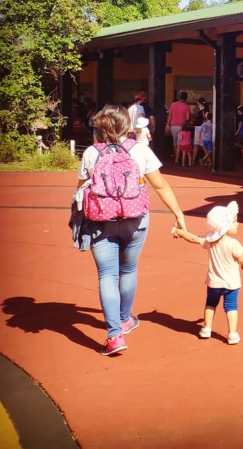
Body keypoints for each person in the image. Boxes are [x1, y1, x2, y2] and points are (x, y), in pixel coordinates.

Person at [75, 104, 187, 355]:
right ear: (127, 124)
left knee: (106, 275)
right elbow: (160, 186)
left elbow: (81, 190)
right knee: (128, 270)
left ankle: (114, 336)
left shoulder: (92, 153)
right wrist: (178, 214)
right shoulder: (140, 150)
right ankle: (125, 319)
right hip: (136, 220)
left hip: (100, 221)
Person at [172, 201, 243, 345]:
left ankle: (207, 328)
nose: (237, 224)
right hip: (231, 283)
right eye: (234, 222)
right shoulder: (234, 244)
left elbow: (193, 238)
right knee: (231, 306)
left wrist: (179, 232)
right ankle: (232, 333)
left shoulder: (209, 241)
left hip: (214, 282)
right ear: (225, 227)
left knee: (210, 304)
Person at [166, 91, 191, 163]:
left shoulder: (173, 104)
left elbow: (169, 115)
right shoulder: (186, 106)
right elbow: (187, 118)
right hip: (182, 127)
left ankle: (175, 157)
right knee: (179, 143)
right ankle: (177, 159)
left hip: (173, 126)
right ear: (186, 98)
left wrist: (168, 124)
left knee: (174, 143)